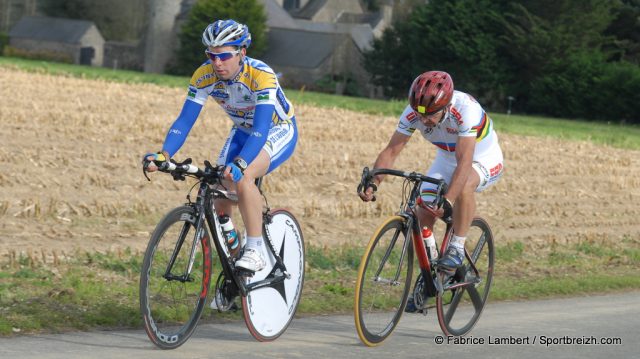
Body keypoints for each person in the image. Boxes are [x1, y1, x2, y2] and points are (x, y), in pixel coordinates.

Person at [143, 19, 298, 276]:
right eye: (211, 56)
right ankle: (235, 268)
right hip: (242, 131)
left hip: (275, 129)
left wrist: (241, 163)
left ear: (241, 53)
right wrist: (164, 154)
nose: (217, 63)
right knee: (218, 189)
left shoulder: (261, 75)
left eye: (224, 56)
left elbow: (260, 130)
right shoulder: (204, 76)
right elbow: (184, 120)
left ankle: (255, 249)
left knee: (244, 174)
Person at [358, 70, 504, 271]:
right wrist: (375, 182)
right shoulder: (413, 113)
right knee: (423, 213)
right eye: (419, 115)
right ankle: (430, 278)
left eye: (430, 115)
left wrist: (448, 200)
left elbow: (464, 163)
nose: (423, 120)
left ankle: (457, 248)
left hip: (482, 158)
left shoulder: (466, 110)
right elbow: (391, 151)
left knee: (463, 187)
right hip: (445, 160)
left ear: (446, 107)